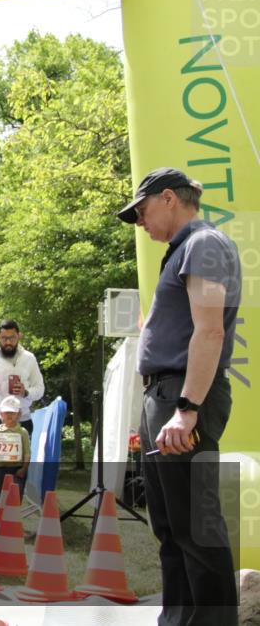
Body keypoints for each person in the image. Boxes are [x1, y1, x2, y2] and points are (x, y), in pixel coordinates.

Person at [117, 167, 240, 626]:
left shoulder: (203, 244)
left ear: (169, 198)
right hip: (165, 397)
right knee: (170, 526)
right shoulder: (183, 250)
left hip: (183, 397)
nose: (139, 222)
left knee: (195, 526)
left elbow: (209, 331)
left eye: (141, 211)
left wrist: (186, 409)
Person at [0, 319, 44, 523]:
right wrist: (7, 416)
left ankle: (12, 511)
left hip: (23, 420)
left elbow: (40, 389)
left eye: (12, 337)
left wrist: (25, 392)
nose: (8, 342)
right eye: (4, 337)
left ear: (19, 336)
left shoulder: (29, 358)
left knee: (19, 466)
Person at [0, 396, 30, 497]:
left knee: (16, 496)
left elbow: (27, 453)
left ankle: (14, 512)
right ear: (1, 414)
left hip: (17, 470)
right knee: (3, 497)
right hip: (0, 470)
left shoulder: (23, 432)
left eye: (12, 412)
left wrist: (24, 468)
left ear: (19, 414)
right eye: (6, 412)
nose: (9, 415)